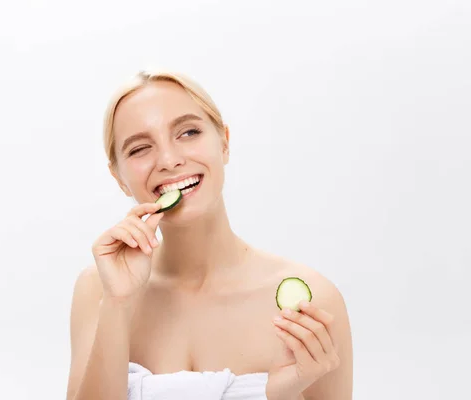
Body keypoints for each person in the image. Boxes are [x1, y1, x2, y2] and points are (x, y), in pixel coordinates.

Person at [65, 70, 353, 400]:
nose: (170, 160)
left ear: (224, 143)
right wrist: (117, 305)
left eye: (188, 132)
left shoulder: (313, 299)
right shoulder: (98, 289)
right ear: (119, 177)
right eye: (140, 148)